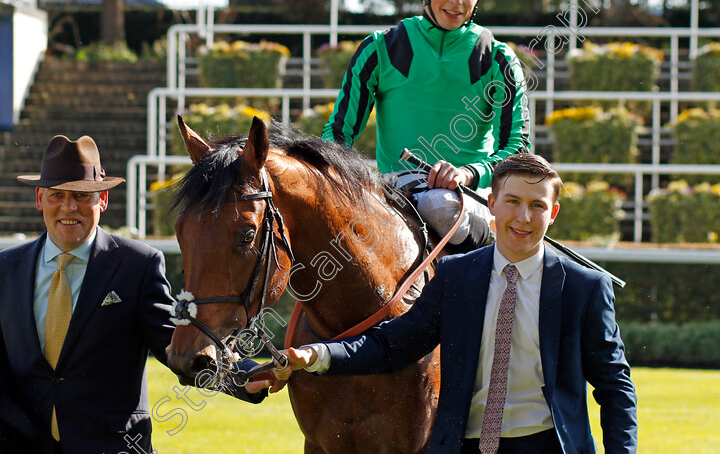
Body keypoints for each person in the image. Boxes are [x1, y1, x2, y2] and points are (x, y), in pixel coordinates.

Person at [272, 153, 638, 454]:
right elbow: (392, 345)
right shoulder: (454, 277)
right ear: (491, 204)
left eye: (537, 205)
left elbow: (615, 386)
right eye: (512, 202)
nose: (523, 218)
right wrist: (317, 355)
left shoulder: (585, 287)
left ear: (553, 213)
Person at [0, 135, 265, 454]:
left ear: (103, 199)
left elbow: (174, 344)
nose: (68, 207)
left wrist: (242, 375)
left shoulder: (139, 265)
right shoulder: (3, 267)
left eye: (81, 195)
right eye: (56, 195)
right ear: (39, 198)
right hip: (22, 444)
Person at [322, 0, 530, 253]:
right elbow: (338, 135)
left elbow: (518, 150)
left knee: (441, 207)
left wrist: (467, 173)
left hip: (467, 200)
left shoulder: (499, 59)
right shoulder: (379, 48)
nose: (456, 0)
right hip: (392, 191)